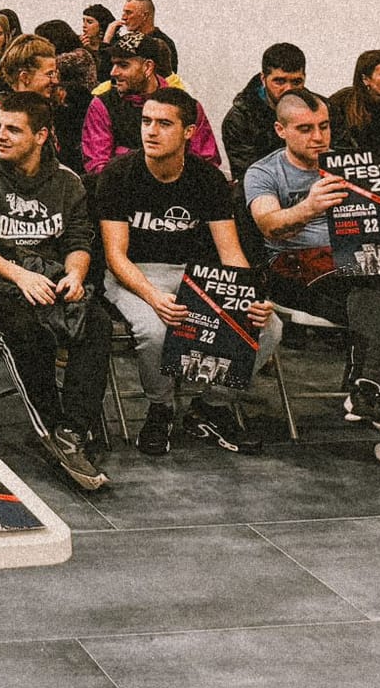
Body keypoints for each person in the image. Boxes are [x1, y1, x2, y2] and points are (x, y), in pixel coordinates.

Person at [246, 91, 380, 485]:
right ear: (281, 130)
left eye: (324, 126)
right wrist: (309, 208)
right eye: (305, 129)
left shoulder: (352, 163)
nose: (318, 137)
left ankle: (370, 391)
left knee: (379, 281)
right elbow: (268, 224)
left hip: (352, 266)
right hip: (292, 269)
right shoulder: (264, 172)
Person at [101, 88, 281, 458]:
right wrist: (154, 298)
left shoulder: (209, 179)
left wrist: (251, 297)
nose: (151, 131)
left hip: (193, 273)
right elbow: (116, 257)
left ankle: (211, 406)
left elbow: (230, 251)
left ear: (188, 131)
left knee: (268, 327)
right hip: (134, 274)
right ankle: (161, 408)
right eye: (146, 121)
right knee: (155, 330)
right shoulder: (118, 174)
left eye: (164, 123)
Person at [0, 93, 110, 489]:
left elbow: (79, 239)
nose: (1, 136)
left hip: (54, 277)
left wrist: (76, 275)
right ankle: (48, 425)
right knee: (26, 331)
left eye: (13, 129)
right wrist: (19, 276)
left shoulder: (66, 181)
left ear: (42, 135)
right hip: (2, 281)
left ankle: (71, 431)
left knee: (95, 323)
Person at [81, 32, 220, 175]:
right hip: (123, 193)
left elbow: (206, 164)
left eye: (123, 65)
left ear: (147, 67)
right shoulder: (102, 105)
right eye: (113, 64)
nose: (113, 72)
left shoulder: (187, 106)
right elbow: (97, 166)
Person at [221, 43, 307, 180]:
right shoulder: (240, 119)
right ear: (263, 79)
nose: (288, 89)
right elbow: (250, 178)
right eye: (279, 81)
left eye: (296, 82)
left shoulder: (322, 110)